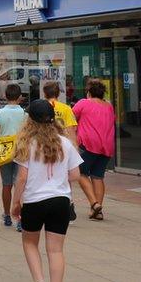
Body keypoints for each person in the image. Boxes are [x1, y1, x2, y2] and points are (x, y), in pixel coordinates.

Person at [11, 99, 84, 282]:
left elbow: (21, 178)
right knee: (56, 250)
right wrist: (58, 180)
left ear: (31, 121)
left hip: (34, 201)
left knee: (29, 243)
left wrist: (16, 202)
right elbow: (76, 175)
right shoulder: (65, 143)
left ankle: (39, 281)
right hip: (60, 201)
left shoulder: (27, 143)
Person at [72, 79, 116, 221]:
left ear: (89, 92)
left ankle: (94, 203)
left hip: (88, 143)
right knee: (98, 176)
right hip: (106, 145)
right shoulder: (109, 106)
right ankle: (98, 210)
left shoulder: (83, 103)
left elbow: (71, 119)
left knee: (80, 173)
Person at [0, 83, 27, 232]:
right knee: (21, 184)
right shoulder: (25, 113)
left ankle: (6, 215)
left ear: (5, 96)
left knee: (7, 184)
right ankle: (20, 218)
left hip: (4, 150)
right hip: (20, 150)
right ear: (20, 97)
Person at [43, 80, 79, 222]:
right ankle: (68, 202)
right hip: (62, 145)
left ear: (45, 93)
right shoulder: (65, 108)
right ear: (58, 93)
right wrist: (74, 147)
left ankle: (47, 198)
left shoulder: (41, 107)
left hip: (44, 143)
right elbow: (71, 129)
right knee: (64, 174)